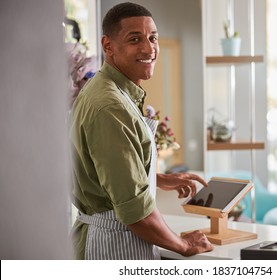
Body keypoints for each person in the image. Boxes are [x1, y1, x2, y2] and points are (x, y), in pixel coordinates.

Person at [69, 2, 213, 260]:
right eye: (135, 39)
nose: (149, 48)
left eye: (153, 38)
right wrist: (184, 245)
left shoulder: (108, 91)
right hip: (113, 247)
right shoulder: (110, 107)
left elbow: (109, 171)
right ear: (108, 45)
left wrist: (158, 178)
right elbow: (136, 214)